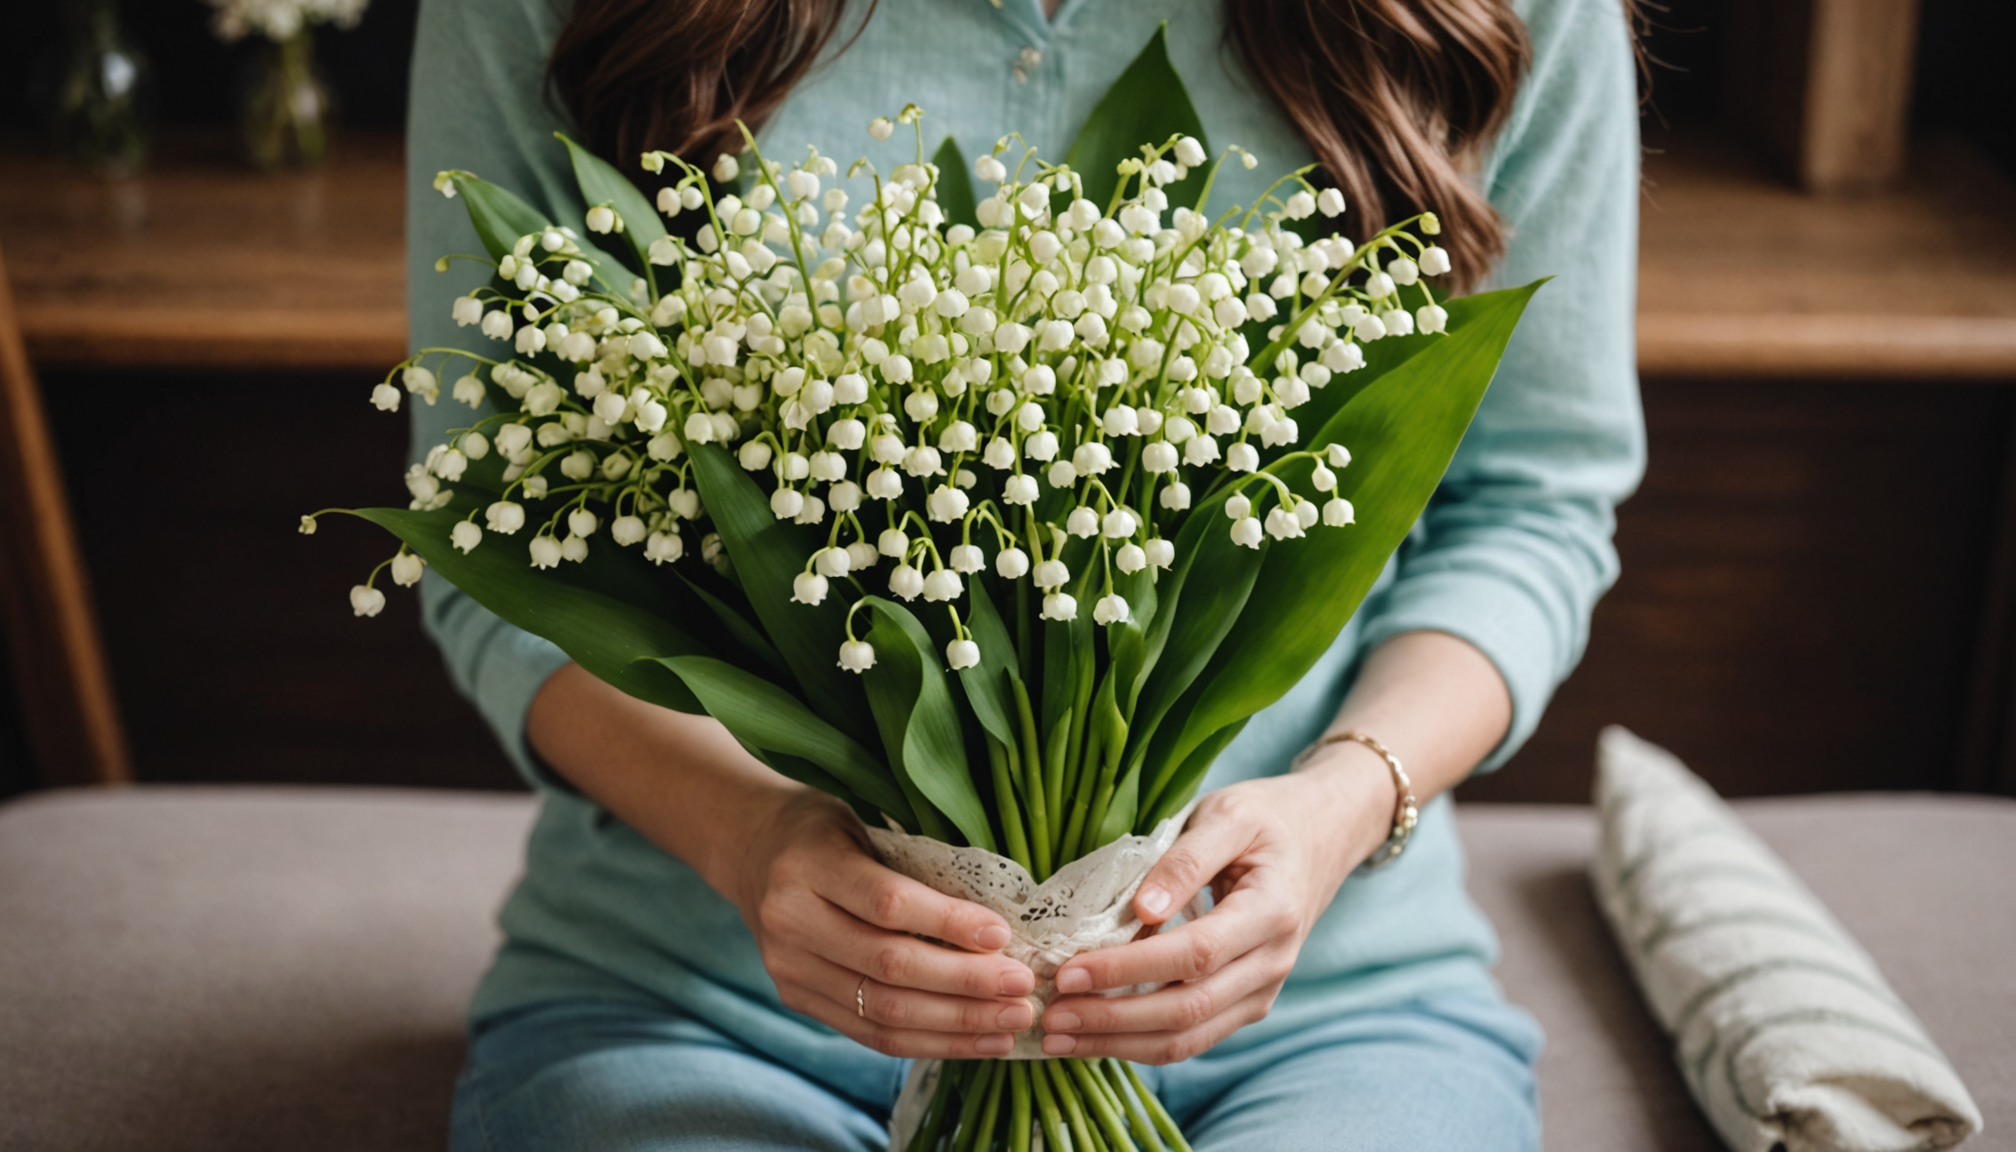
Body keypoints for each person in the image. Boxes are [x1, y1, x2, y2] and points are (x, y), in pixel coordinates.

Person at [405, 0, 1644, 1147]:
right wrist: (755, 843)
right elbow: (495, 543)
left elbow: (1527, 509)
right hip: (710, 994)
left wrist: (1338, 809)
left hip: (1312, 1008)